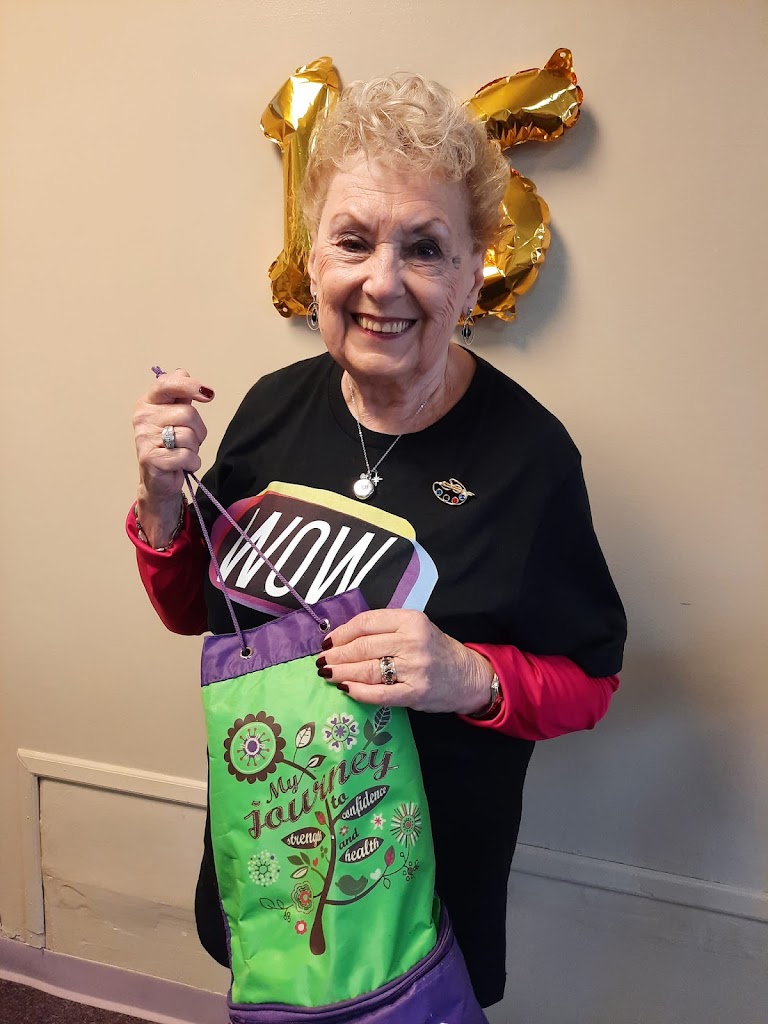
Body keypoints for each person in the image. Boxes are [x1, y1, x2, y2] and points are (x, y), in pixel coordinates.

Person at [128, 74, 626, 1009]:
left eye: (425, 248)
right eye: (353, 241)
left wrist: (466, 675)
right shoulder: (272, 408)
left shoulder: (530, 459)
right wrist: (161, 501)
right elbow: (199, 609)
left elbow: (590, 683)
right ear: (312, 256)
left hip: (419, 908)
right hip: (271, 862)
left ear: (474, 269)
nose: (382, 282)